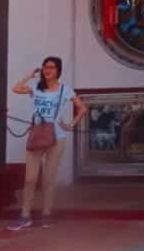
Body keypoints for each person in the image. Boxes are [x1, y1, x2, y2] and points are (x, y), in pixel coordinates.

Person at [9, 56, 87, 230]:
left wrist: (71, 125)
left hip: (56, 137)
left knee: (49, 178)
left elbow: (82, 108)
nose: (47, 70)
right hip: (37, 134)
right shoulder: (36, 86)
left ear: (58, 70)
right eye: (45, 67)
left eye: (51, 67)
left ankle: (46, 213)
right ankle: (25, 215)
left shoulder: (65, 90)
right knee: (30, 178)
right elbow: (16, 88)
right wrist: (30, 75)